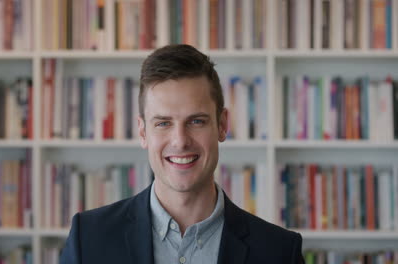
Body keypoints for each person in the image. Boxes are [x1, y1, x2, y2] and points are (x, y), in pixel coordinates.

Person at [60, 44, 305, 264]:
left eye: (196, 121)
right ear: (143, 132)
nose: (180, 141)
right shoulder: (89, 238)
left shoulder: (280, 252)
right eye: (163, 123)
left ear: (222, 125)